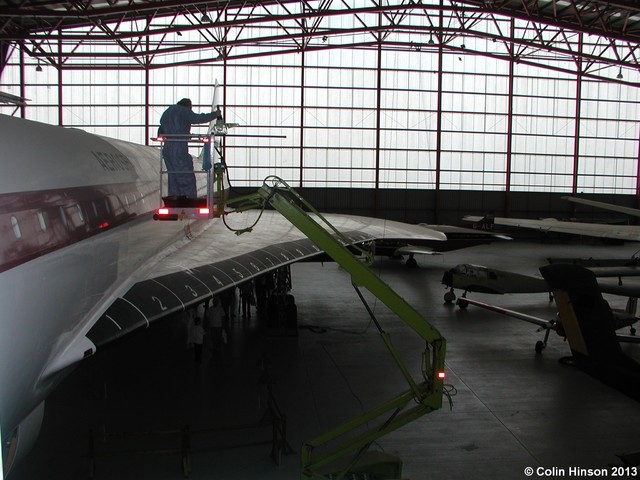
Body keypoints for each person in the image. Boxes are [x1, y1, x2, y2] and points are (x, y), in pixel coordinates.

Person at [157, 98, 221, 198]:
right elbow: (197, 118)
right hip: (178, 148)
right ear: (188, 106)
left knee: (172, 176)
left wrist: (185, 134)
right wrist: (214, 114)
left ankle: (174, 199)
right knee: (186, 175)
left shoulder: (167, 111)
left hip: (167, 148)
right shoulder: (183, 111)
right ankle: (188, 200)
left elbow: (163, 128)